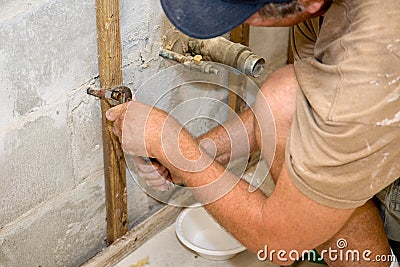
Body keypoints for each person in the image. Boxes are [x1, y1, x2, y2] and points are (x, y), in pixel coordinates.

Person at [106, 0, 400, 265]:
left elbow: (280, 243)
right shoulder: (324, 13)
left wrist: (179, 152)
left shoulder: (373, 60)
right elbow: (303, 106)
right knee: (284, 93)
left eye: (243, 15)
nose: (235, 24)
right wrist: (206, 149)